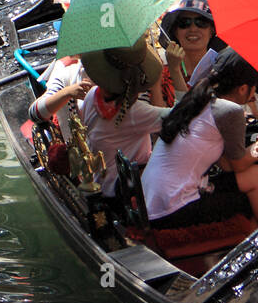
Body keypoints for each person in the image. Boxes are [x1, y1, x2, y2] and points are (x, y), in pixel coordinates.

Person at [141, 48, 258, 227]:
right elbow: (237, 164)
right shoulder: (230, 110)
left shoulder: (199, 95)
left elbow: (227, 164)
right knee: (256, 177)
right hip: (171, 208)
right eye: (256, 87)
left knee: (252, 175)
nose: (255, 94)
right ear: (243, 88)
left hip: (153, 202)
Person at [78, 35, 183, 196]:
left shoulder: (92, 95)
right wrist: (175, 70)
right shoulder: (133, 113)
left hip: (102, 184)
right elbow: (186, 115)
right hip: (122, 193)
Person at [160, 0, 219, 91]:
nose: (193, 29)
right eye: (184, 22)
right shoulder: (162, 73)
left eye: (201, 22)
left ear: (211, 30)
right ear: (175, 31)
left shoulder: (223, 70)